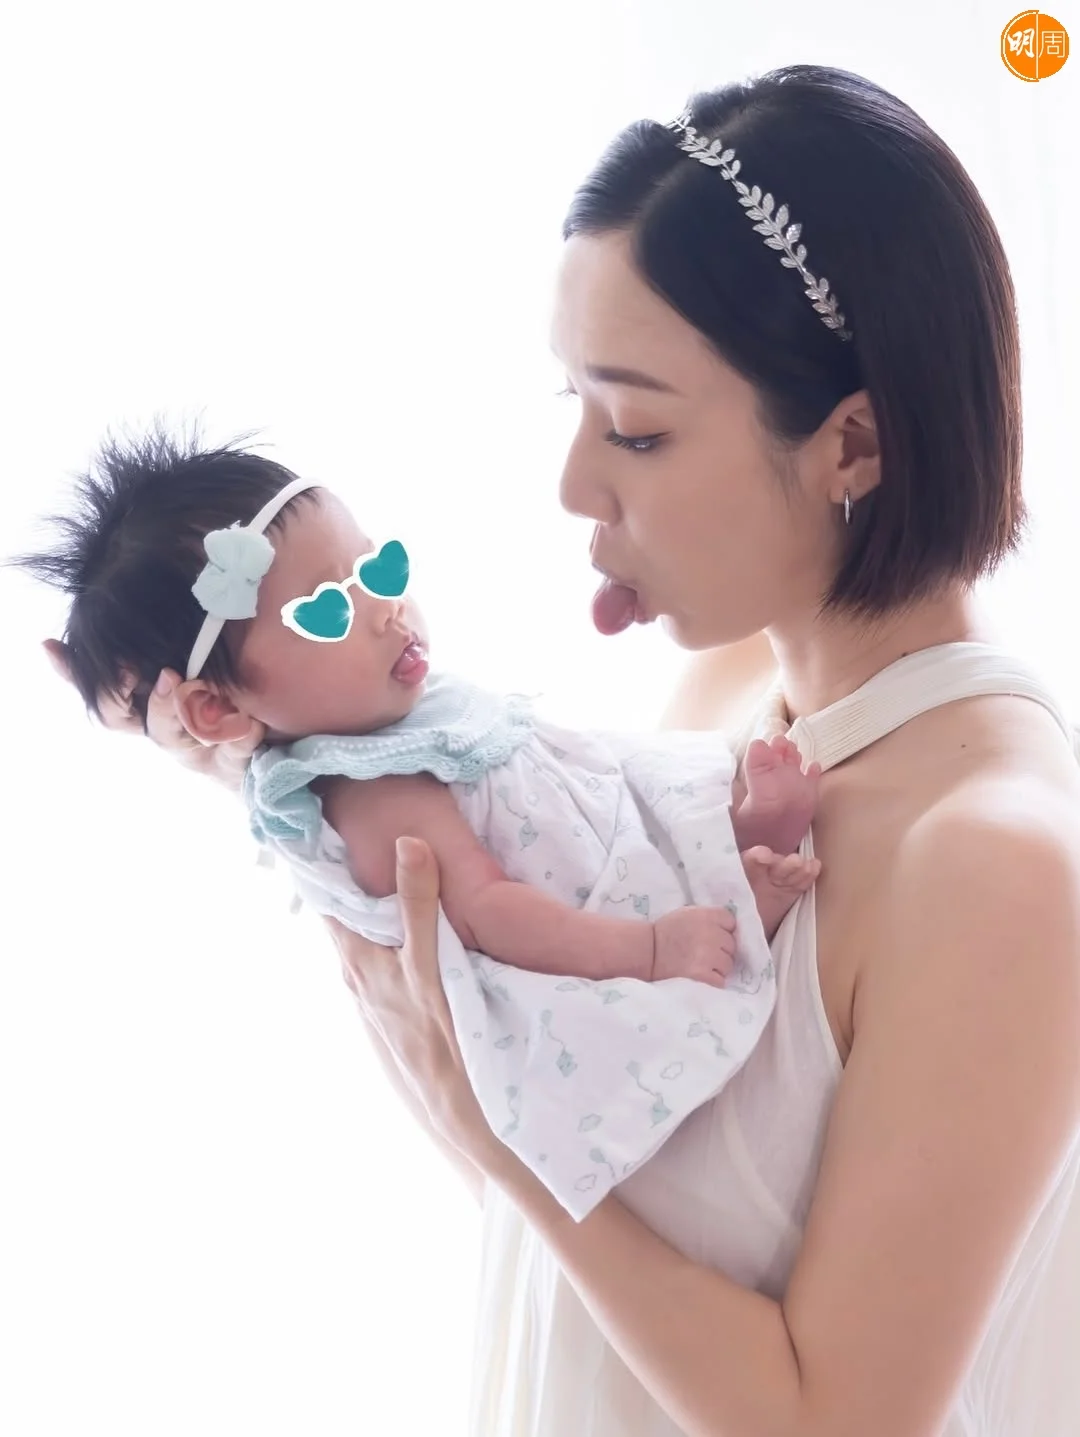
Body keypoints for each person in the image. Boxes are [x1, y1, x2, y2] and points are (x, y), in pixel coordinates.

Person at [44, 62, 1080, 1437]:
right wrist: (256, 757)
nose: (574, 483)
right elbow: (589, 1237)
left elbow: (835, 1419)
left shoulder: (991, 861)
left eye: (638, 428)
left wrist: (504, 1143)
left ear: (856, 443)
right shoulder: (718, 702)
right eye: (573, 407)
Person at [22, 442, 822, 1218]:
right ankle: (723, 908)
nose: (385, 610)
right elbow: (493, 913)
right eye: (328, 609)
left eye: (379, 568)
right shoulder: (368, 794)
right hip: (576, 938)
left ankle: (729, 850)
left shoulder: (379, 712)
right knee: (644, 944)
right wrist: (648, 950)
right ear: (217, 709)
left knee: (641, 797)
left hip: (597, 847)